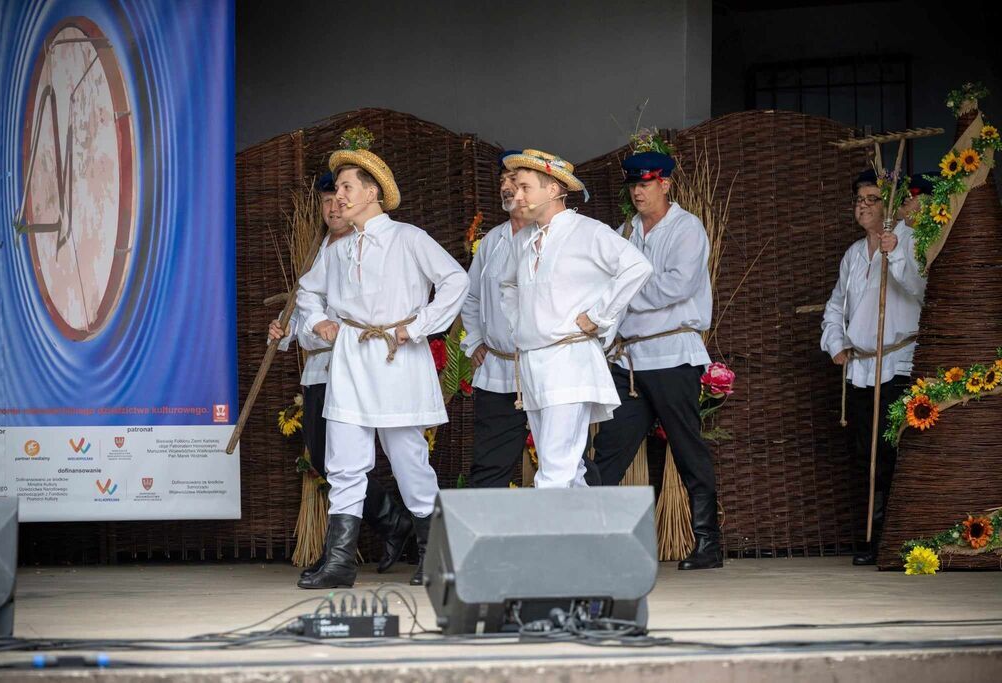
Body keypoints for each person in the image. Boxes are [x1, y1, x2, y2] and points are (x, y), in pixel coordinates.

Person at [295, 135, 467, 587]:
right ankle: (339, 563)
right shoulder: (338, 249)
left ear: (373, 192)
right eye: (338, 188)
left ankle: (435, 556)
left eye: (349, 186)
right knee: (344, 460)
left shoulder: (408, 238)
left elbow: (455, 280)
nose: (340, 196)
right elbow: (307, 291)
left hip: (397, 357)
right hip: (352, 358)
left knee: (408, 456)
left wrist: (419, 325)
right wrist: (317, 323)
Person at [268, 172, 413, 586]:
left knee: (347, 458)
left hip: (355, 365)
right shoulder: (319, 251)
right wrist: (282, 331)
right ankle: (390, 524)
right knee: (322, 456)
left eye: (340, 196)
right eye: (327, 200)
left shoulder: (368, 246)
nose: (334, 206)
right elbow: (302, 307)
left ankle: (388, 527)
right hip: (319, 368)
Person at [591, 151, 723, 570]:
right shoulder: (624, 230)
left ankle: (707, 542)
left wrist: (620, 298)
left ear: (665, 184)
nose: (638, 191)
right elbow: (602, 281)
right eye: (633, 185)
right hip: (628, 361)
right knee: (609, 448)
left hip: (672, 355)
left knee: (687, 446)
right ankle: (595, 540)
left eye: (645, 184)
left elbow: (676, 286)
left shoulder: (687, 228)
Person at [499, 149, 652, 488]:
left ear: (553, 189)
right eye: (516, 187)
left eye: (526, 187)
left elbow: (637, 266)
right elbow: (507, 284)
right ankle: (590, 540)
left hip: (568, 360)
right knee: (570, 470)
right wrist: (520, 323)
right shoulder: (524, 238)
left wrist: (599, 315)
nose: (517, 195)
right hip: (533, 362)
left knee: (555, 469)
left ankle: (547, 542)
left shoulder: (587, 231)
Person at [820, 168, 927, 566]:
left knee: (889, 452)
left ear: (890, 205)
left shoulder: (911, 241)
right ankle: (868, 535)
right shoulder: (853, 253)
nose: (862, 206)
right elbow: (835, 306)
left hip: (896, 364)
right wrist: (835, 344)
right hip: (861, 368)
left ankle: (887, 536)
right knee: (864, 453)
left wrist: (894, 249)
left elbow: (919, 286)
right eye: (859, 200)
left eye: (871, 199)